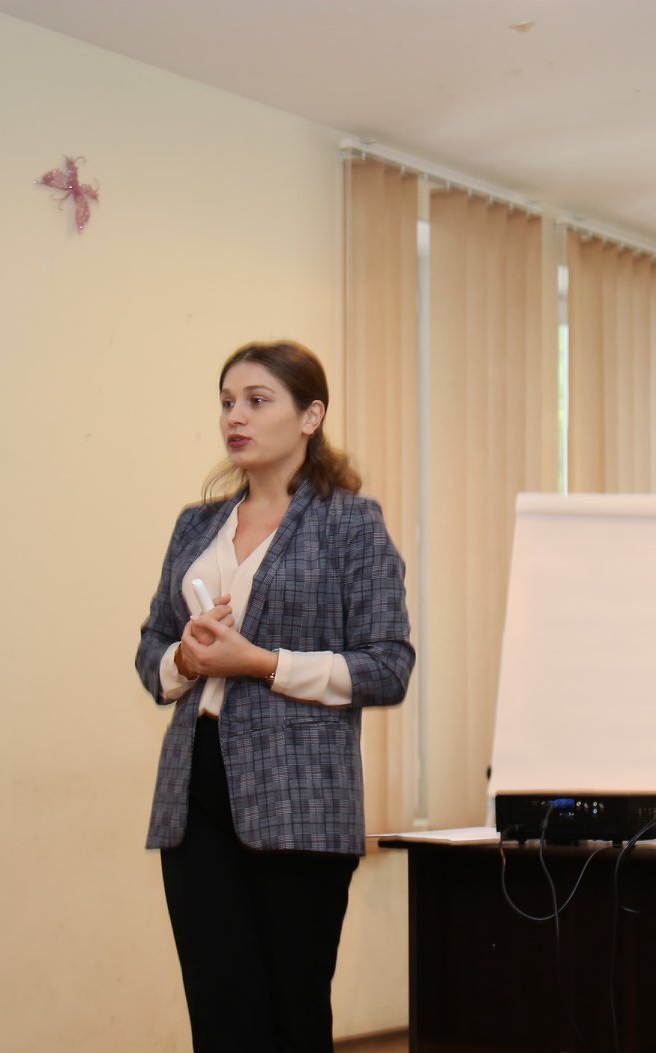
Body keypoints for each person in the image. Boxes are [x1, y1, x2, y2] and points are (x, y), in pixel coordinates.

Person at [133, 340, 414, 1053]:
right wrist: (184, 658)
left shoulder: (350, 522)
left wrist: (259, 662)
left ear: (310, 416)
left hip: (302, 799)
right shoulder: (195, 526)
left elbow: (387, 666)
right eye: (227, 402)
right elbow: (151, 649)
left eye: (257, 401)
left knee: (291, 1017)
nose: (236, 417)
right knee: (220, 1016)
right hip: (194, 791)